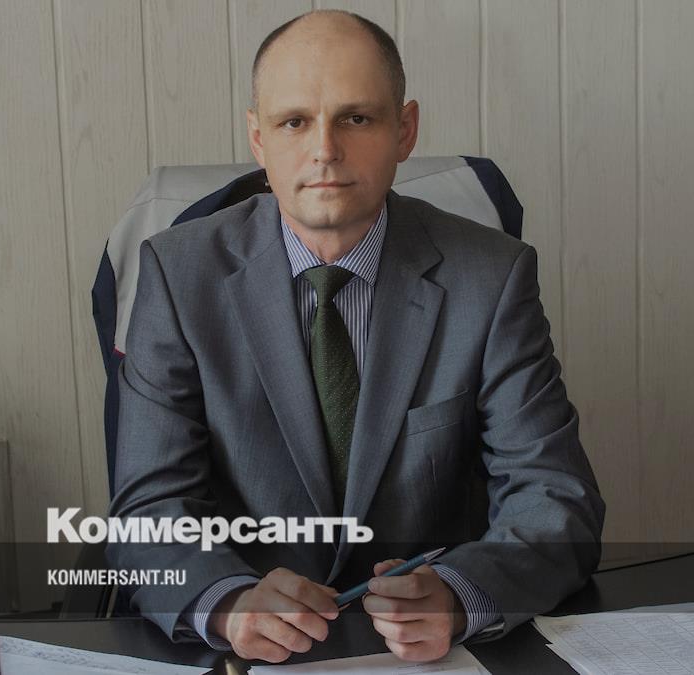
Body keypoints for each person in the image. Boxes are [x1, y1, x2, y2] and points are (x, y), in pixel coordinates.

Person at [106, 9, 605, 664]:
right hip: (252, 658)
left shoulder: (492, 277)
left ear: (405, 130)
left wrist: (459, 594)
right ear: (258, 139)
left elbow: (555, 498)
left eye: (357, 118)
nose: (325, 150)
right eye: (294, 122)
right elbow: (148, 508)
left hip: (427, 656)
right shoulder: (178, 275)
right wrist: (226, 602)